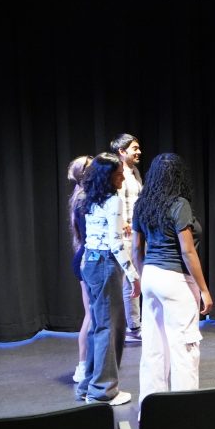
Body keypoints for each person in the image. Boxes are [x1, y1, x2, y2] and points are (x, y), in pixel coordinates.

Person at [131, 154, 213, 405]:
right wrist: (204, 290)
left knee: (154, 348)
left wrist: (143, 277)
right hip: (175, 280)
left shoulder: (142, 204)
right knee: (184, 349)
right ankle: (184, 412)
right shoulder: (179, 204)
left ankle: (149, 411)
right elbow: (188, 252)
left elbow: (136, 249)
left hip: (151, 276)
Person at [76, 153, 139, 406]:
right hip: (104, 264)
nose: (123, 177)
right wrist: (133, 275)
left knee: (98, 326)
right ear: (107, 176)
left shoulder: (89, 197)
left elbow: (97, 233)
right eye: (118, 173)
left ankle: (88, 386)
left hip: (90, 262)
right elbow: (114, 243)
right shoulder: (113, 200)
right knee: (109, 328)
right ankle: (102, 391)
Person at [112, 133, 143, 343]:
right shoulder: (118, 173)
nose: (138, 151)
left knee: (136, 279)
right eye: (134, 148)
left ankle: (135, 324)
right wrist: (122, 221)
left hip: (137, 233)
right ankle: (133, 327)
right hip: (125, 236)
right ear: (122, 152)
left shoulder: (135, 172)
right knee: (129, 281)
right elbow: (114, 199)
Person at [67, 156, 92, 384]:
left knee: (93, 315)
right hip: (85, 260)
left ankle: (89, 364)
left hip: (85, 258)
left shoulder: (84, 196)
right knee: (91, 316)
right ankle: (82, 366)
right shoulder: (84, 199)